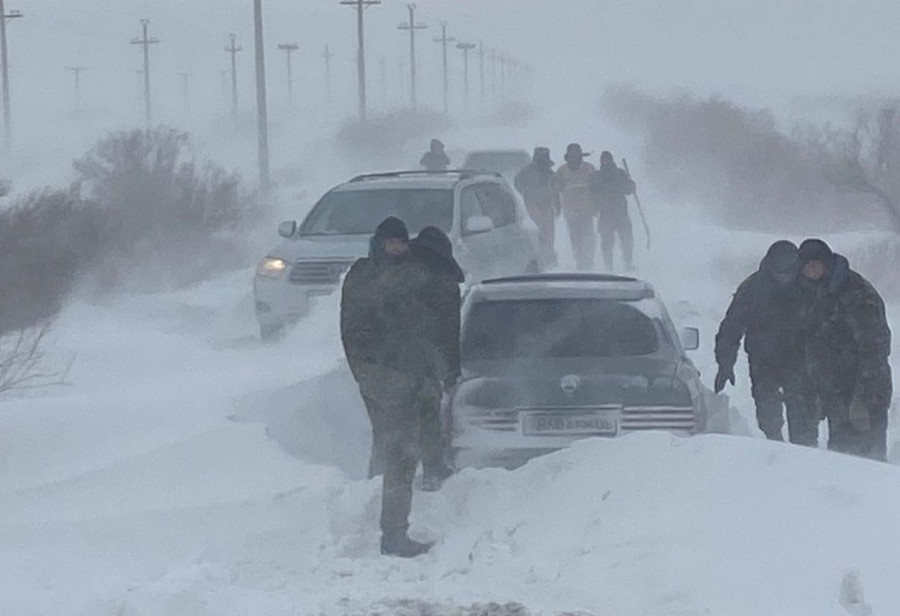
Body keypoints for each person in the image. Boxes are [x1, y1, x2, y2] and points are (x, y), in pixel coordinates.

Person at [340, 216, 436, 557]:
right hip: (382, 374)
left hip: (403, 373)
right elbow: (354, 329)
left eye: (402, 242)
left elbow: (422, 322)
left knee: (398, 451)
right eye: (392, 242)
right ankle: (393, 534)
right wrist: (372, 370)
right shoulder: (364, 276)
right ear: (379, 243)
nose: (398, 248)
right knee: (401, 451)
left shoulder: (410, 273)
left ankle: (393, 528)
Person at [714, 241, 819, 444]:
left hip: (801, 362)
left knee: (803, 417)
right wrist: (725, 363)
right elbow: (731, 327)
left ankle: (806, 457)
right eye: (779, 273)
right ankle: (773, 448)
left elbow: (826, 325)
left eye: (788, 273)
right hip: (764, 361)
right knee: (768, 414)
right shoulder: (753, 288)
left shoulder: (809, 287)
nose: (784, 278)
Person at [798, 239, 892, 461]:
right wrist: (820, 390)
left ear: (827, 263)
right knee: (841, 462)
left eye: (815, 265)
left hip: (865, 394)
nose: (810, 271)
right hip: (838, 396)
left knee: (869, 463)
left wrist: (862, 398)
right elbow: (817, 344)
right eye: (806, 267)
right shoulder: (822, 293)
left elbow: (874, 349)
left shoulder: (856, 294)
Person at [409, 226, 464, 491]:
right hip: (423, 361)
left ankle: (381, 473)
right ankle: (432, 468)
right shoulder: (444, 281)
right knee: (428, 413)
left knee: (395, 422)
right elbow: (449, 331)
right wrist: (451, 370)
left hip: (393, 360)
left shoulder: (399, 273)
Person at [553, 143, 597, 270]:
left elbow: (597, 189)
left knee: (588, 236)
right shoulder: (561, 171)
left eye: (577, 156)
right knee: (575, 237)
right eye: (572, 156)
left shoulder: (589, 169)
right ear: (568, 157)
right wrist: (557, 207)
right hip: (570, 211)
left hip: (587, 210)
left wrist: (597, 206)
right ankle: (579, 260)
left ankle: (589, 260)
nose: (575, 159)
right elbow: (554, 190)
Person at [591, 151, 636, 271]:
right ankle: (608, 266)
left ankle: (627, 263)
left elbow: (628, 190)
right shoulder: (597, 176)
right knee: (607, 241)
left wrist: (631, 185)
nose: (606, 163)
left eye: (608, 160)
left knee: (626, 239)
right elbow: (593, 192)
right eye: (604, 161)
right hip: (605, 212)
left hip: (620, 211)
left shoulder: (620, 173)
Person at [514, 147, 558, 266]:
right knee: (536, 233)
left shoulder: (550, 173)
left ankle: (549, 257)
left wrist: (557, 205)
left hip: (547, 205)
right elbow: (517, 183)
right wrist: (526, 193)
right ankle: (538, 258)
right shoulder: (525, 172)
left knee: (548, 233)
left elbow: (556, 190)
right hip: (532, 205)